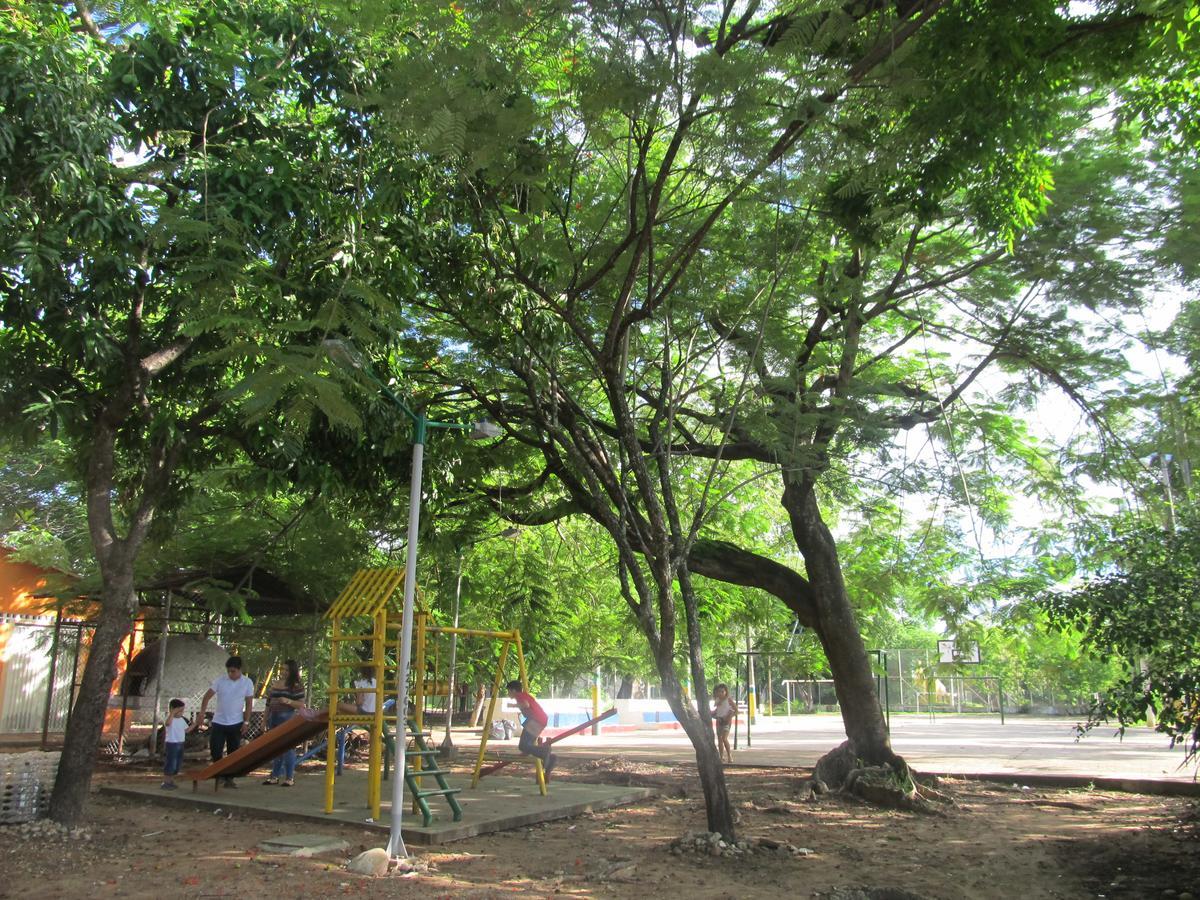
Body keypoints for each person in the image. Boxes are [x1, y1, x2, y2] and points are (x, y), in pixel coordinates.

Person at [197, 655, 256, 788]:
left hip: (236, 722)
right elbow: (206, 697)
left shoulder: (247, 683)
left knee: (233, 752)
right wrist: (202, 713)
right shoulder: (220, 681)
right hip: (219, 721)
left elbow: (249, 703)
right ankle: (220, 773)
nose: (231, 674)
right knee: (215, 749)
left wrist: (246, 722)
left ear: (240, 669)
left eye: (233, 671)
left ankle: (229, 778)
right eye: (229, 671)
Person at [263, 659, 306, 786]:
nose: (284, 672)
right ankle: (274, 776)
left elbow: (301, 704)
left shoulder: (296, 685)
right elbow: (268, 703)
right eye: (282, 669)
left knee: (288, 748)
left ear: (292, 671)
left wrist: (288, 701)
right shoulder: (275, 683)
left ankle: (289, 777)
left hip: (287, 716)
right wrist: (264, 720)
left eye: (287, 670)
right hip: (273, 716)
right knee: (276, 747)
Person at [506, 680, 555, 778]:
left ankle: (545, 752)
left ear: (514, 690)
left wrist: (513, 705)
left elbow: (526, 705)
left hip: (535, 720)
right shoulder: (524, 695)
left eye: (509, 691)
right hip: (540, 720)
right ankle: (549, 758)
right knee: (527, 747)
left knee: (523, 746)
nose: (508, 694)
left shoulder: (519, 696)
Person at [161, 698, 198, 790]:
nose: (182, 713)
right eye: (180, 710)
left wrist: (195, 724)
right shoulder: (170, 718)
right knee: (171, 762)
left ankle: (171, 780)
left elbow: (186, 730)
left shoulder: (182, 720)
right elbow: (168, 724)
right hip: (172, 744)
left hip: (180, 743)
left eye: (182, 711)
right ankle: (166, 782)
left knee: (177, 763)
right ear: (173, 709)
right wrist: (172, 713)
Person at [711, 683, 738, 763]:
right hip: (719, 721)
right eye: (719, 691)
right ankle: (721, 756)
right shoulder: (717, 700)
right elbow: (717, 710)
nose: (721, 693)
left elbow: (736, 711)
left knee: (724, 738)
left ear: (726, 692)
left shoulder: (728, 700)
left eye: (722, 691)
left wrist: (729, 717)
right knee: (719, 739)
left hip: (726, 722)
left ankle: (729, 756)